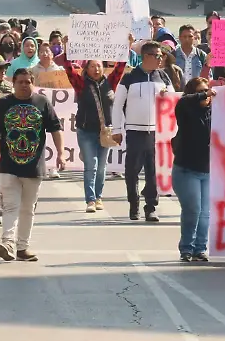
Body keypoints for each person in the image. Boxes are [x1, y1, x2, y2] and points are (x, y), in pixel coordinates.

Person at [0, 68, 64, 262]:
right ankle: (7, 242)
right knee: (11, 205)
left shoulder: (42, 103)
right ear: (13, 83)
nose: (23, 85)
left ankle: (22, 247)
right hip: (8, 166)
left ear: (33, 83)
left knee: (28, 208)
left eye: (27, 82)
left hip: (34, 166)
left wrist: (61, 154)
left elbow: (55, 129)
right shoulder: (3, 104)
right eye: (20, 81)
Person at [60, 43, 128, 211]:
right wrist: (66, 48)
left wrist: (128, 44)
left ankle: (99, 197)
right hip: (86, 132)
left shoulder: (111, 82)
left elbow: (121, 66)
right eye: (92, 66)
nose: (96, 69)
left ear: (103, 68)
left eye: (99, 65)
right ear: (87, 68)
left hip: (105, 132)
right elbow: (68, 69)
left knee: (102, 166)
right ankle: (90, 199)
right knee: (91, 164)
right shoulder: (81, 84)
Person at [112, 40, 173, 221]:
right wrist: (117, 129)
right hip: (134, 131)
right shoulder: (130, 77)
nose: (161, 59)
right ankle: (134, 204)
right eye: (158, 55)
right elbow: (117, 105)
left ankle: (151, 207)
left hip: (156, 132)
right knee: (132, 171)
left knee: (153, 171)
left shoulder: (163, 77)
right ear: (147, 56)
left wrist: (166, 96)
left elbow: (173, 103)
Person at [174, 77, 216, 261]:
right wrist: (204, 93)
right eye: (201, 91)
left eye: (207, 91)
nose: (206, 95)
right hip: (186, 169)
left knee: (205, 213)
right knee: (193, 209)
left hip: (207, 171)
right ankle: (186, 248)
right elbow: (184, 101)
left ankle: (200, 248)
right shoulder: (184, 109)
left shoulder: (214, 112)